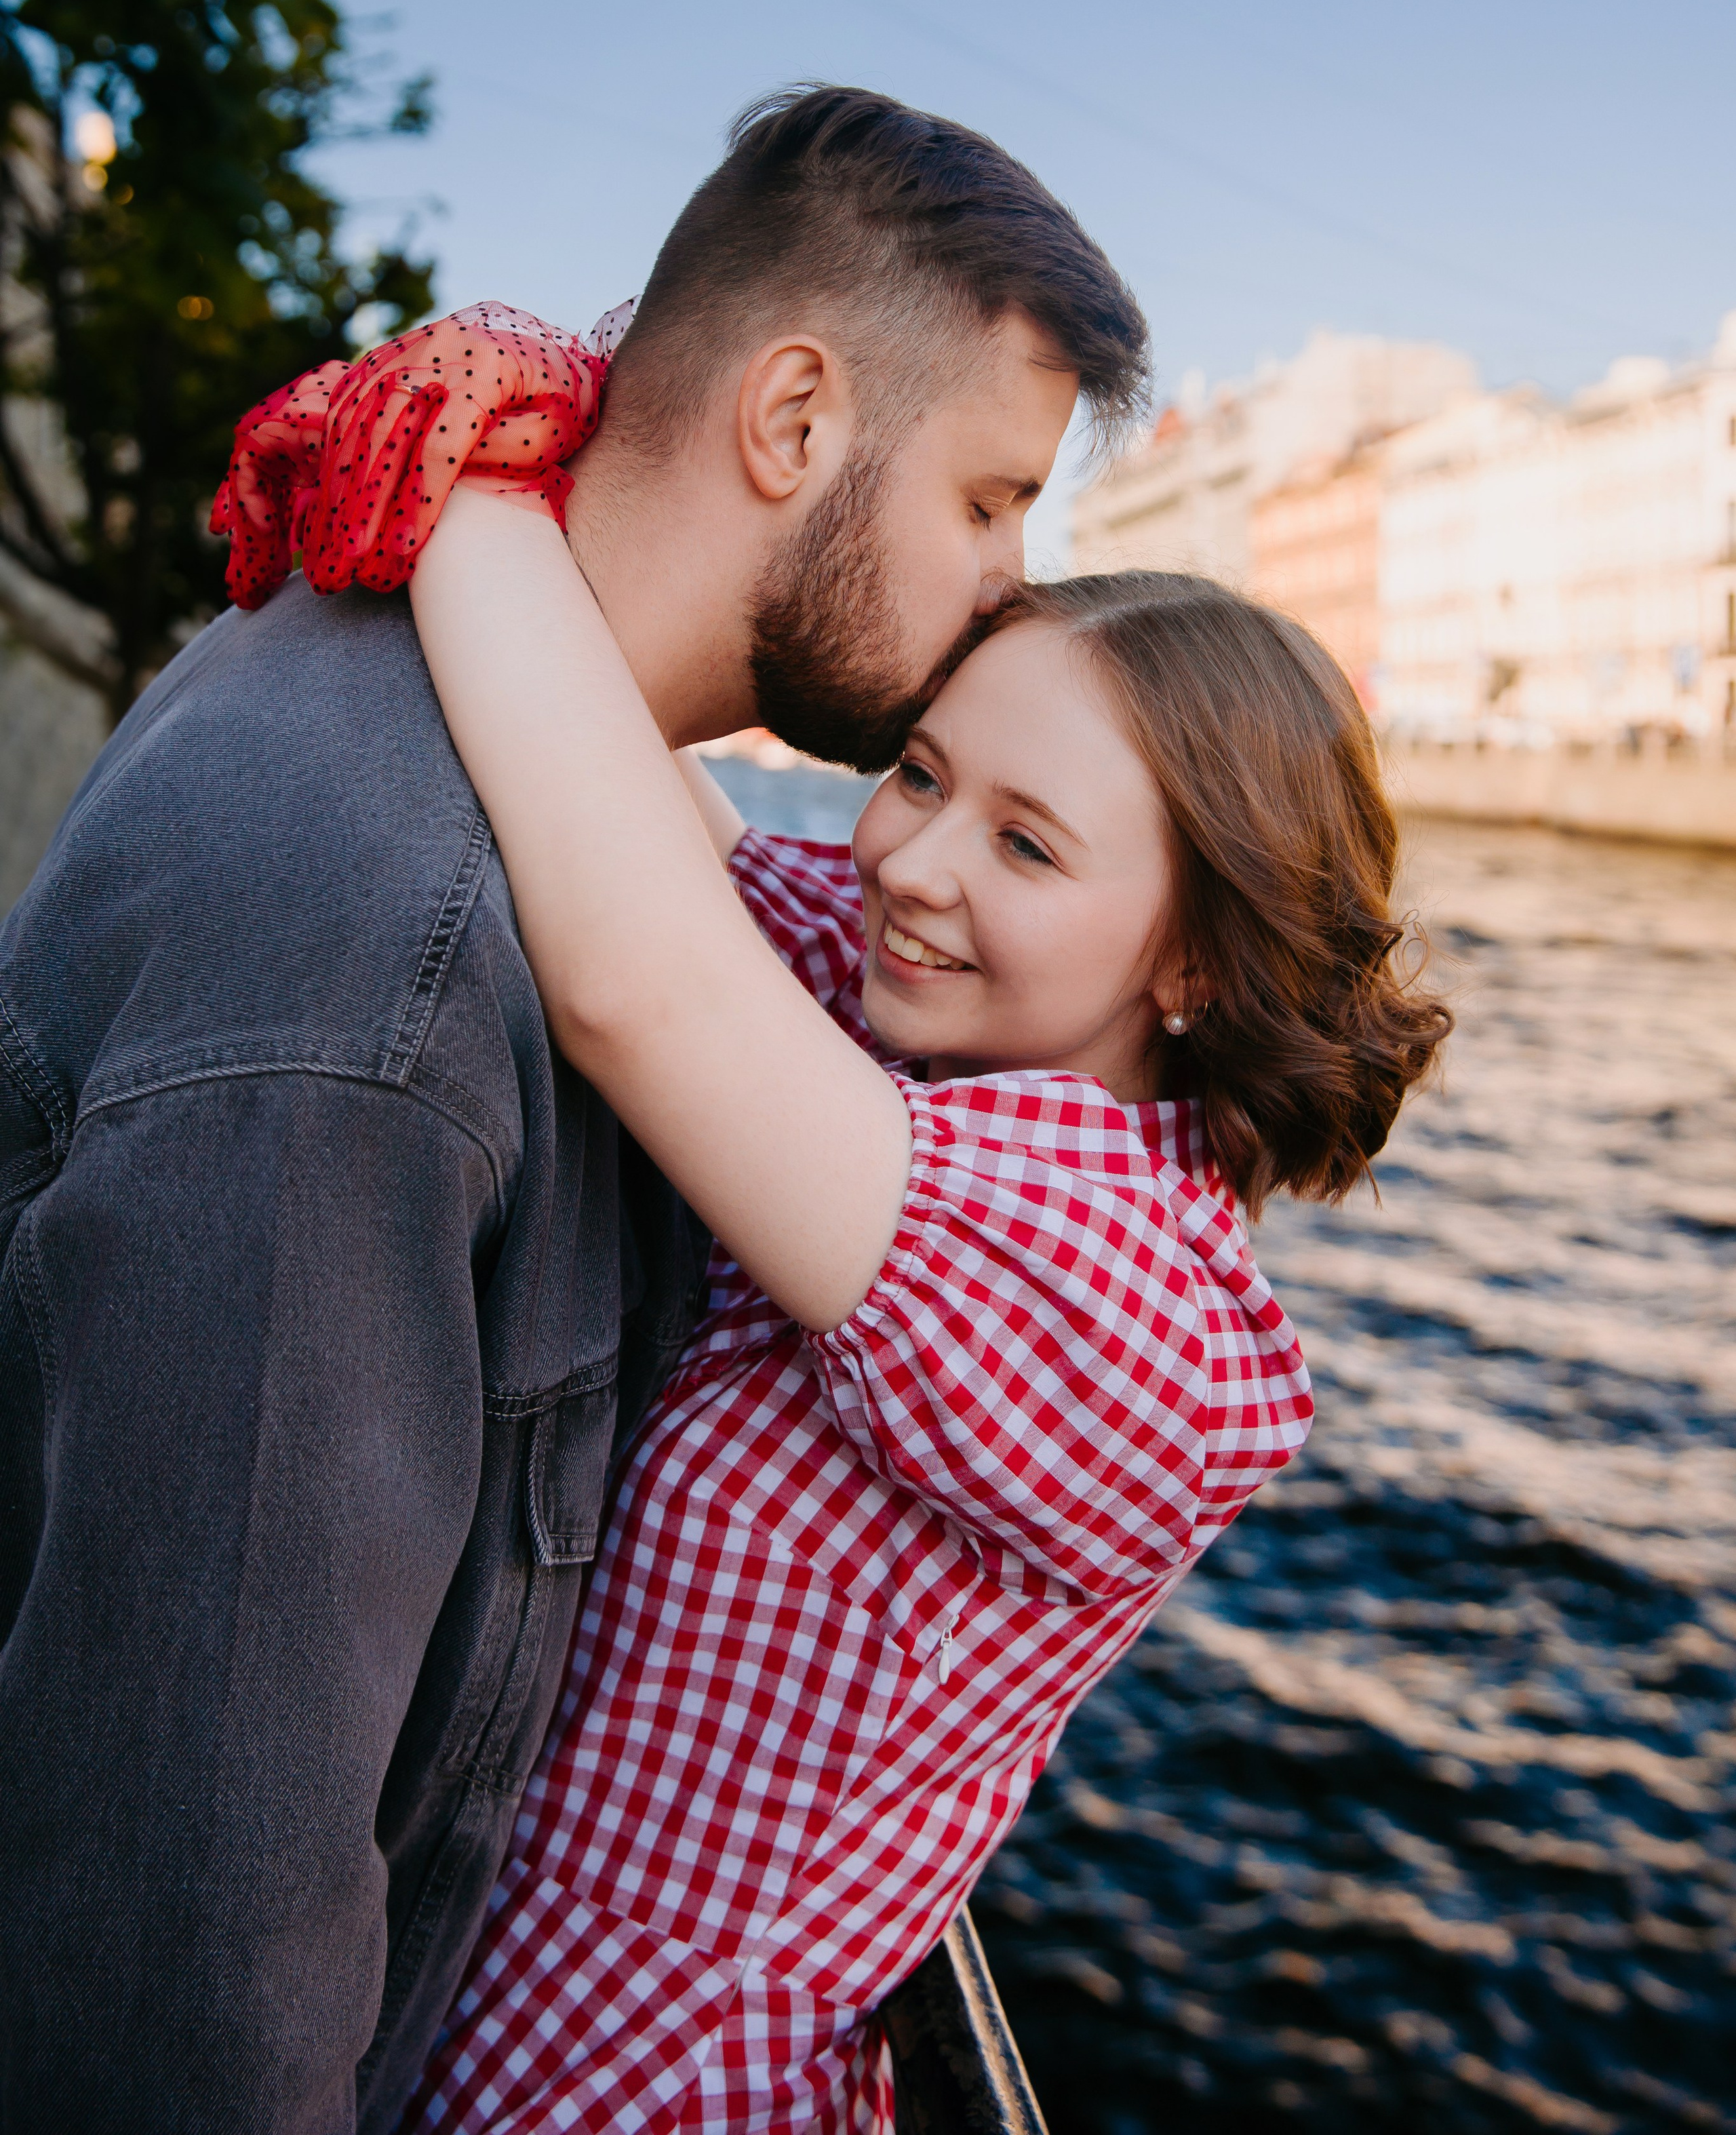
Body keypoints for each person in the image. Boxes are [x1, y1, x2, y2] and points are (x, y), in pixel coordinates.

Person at [0, 85, 1147, 2134]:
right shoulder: (376, 939)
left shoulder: (476, 747)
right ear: (795, 423)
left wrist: (478, 472)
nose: (1007, 582)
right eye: (990, 498)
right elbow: (192, 1933)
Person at [372, 479, 1453, 2130]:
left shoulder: (1118, 1295)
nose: (911, 861)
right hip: (469, 1963)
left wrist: (456, 500)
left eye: (1024, 840)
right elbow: (671, 833)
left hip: (632, 2079)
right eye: (920, 773)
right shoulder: (927, 1020)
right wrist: (536, 465)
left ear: (1195, 969)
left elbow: (630, 983)